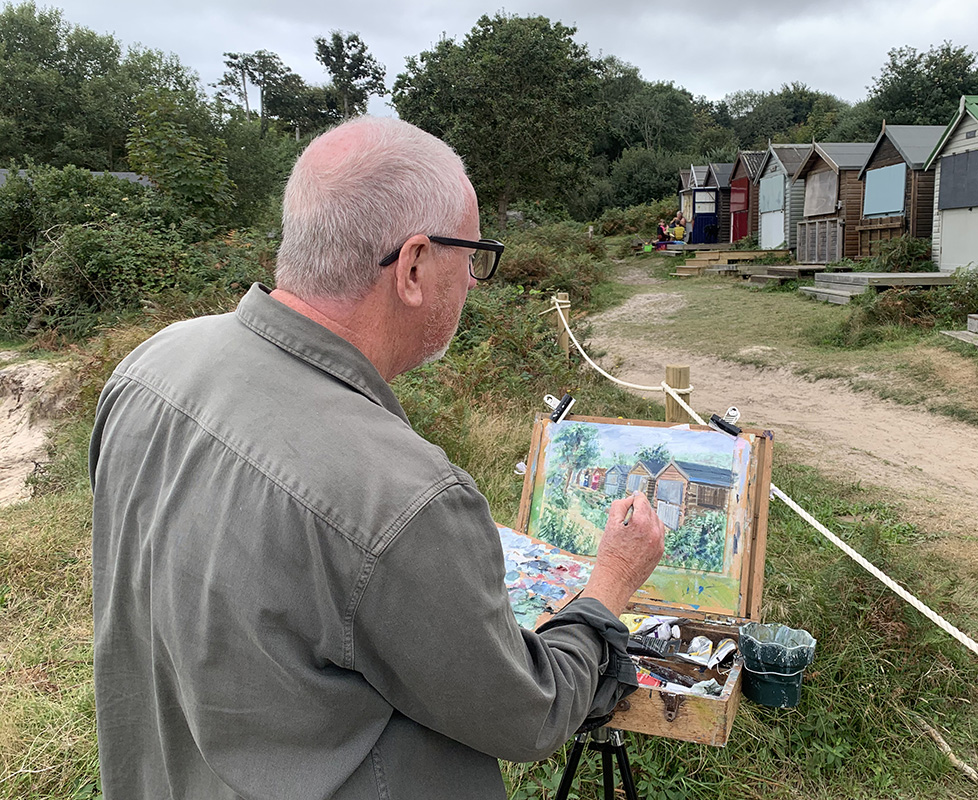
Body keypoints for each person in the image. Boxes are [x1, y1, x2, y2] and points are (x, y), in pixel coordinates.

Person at [89, 116, 666, 799]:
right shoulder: (404, 498)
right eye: (473, 255)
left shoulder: (151, 364)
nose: (476, 282)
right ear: (416, 265)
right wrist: (609, 588)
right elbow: (529, 714)